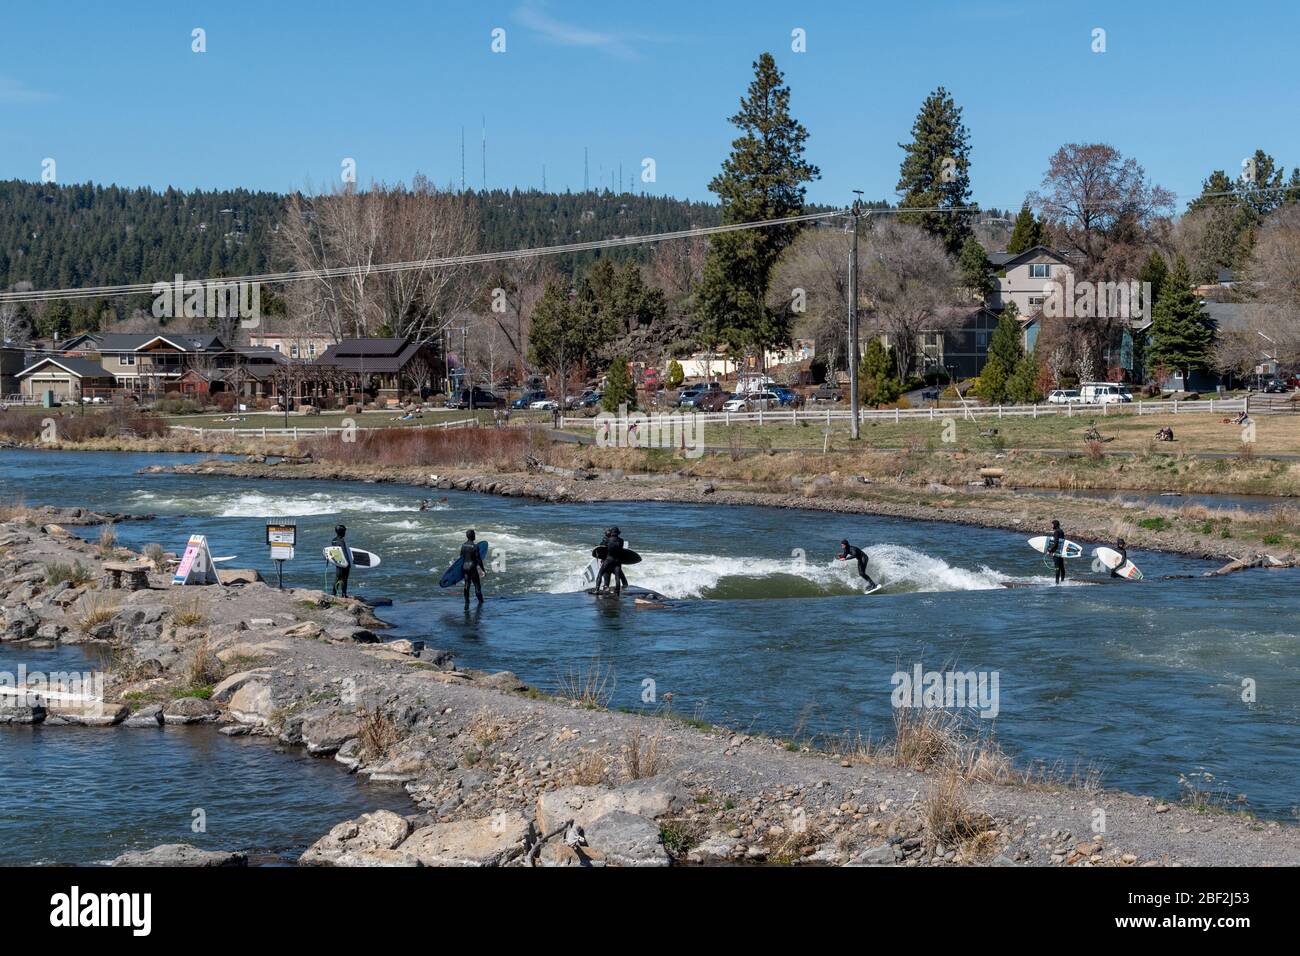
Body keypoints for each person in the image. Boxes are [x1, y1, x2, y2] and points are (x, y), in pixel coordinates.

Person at [596, 526, 628, 593]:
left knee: (600, 573)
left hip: (609, 560)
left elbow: (601, 547)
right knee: (617, 576)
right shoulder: (621, 541)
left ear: (611, 533)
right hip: (617, 561)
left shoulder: (608, 540)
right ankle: (617, 591)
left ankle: (597, 590)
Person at [460, 529, 485, 605]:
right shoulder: (475, 546)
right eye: (474, 534)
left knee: (467, 585)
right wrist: (483, 570)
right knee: (477, 586)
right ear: (472, 536)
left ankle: (467, 602)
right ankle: (481, 602)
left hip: (465, 567)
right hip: (472, 568)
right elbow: (479, 560)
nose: (475, 535)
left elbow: (461, 557)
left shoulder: (463, 545)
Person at [330, 524, 352, 598]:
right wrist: (348, 563)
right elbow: (344, 552)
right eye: (344, 531)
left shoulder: (333, 540)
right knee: (344, 579)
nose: (345, 533)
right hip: (343, 562)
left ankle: (333, 593)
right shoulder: (341, 541)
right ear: (342, 532)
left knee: (337, 577)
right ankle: (344, 594)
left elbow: (333, 551)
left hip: (337, 561)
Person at [1047, 519, 1066, 584]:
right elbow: (1062, 542)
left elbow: (1055, 543)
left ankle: (1057, 583)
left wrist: (1050, 550)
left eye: (1052, 525)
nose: (1051, 526)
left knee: (1057, 567)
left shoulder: (1056, 532)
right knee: (1062, 567)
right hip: (1061, 551)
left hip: (1057, 552)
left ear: (1055, 525)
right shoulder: (1061, 531)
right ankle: (1063, 581)